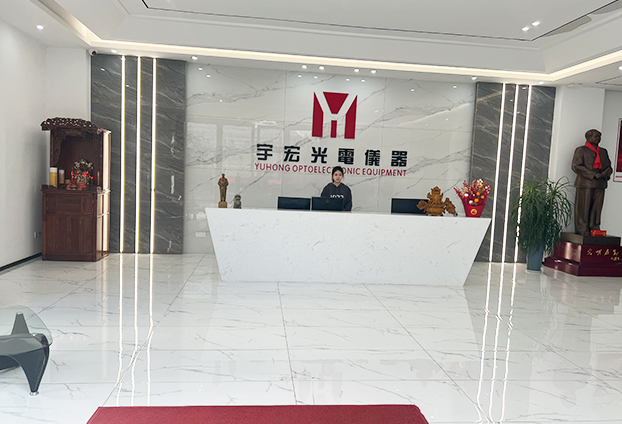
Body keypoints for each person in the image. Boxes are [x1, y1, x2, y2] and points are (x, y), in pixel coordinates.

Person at [571, 129, 613, 236]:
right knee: (583, 207)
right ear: (589, 137)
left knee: (597, 207)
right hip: (586, 183)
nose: (598, 138)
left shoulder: (603, 152)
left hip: (600, 184)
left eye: (599, 136)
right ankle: (582, 228)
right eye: (596, 136)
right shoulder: (581, 150)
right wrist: (593, 174)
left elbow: (608, 166)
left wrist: (607, 172)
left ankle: (594, 226)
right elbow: (576, 166)